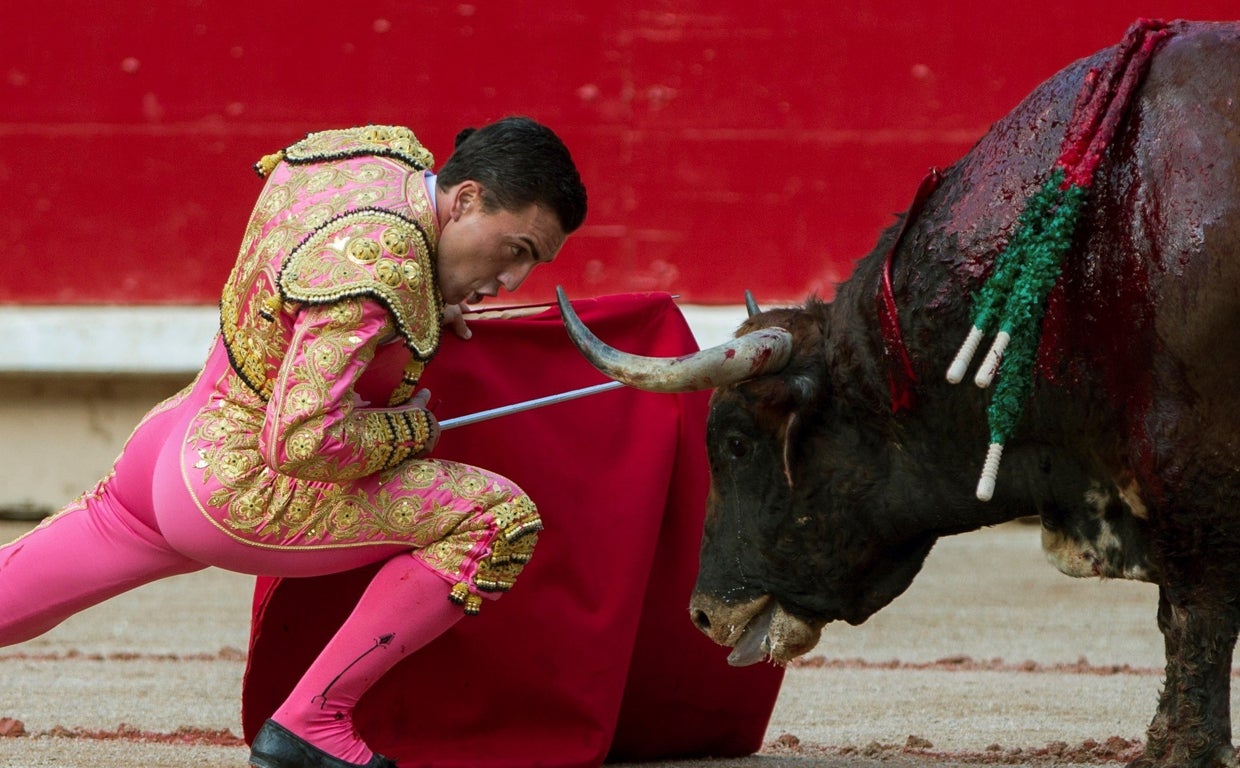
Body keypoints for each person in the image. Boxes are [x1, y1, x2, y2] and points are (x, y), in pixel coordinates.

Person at [0, 118, 587, 768]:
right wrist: (413, 427)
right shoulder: (384, 260)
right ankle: (315, 721)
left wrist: (420, 307)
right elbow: (303, 439)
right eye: (518, 249)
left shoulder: (373, 161)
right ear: (467, 199)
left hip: (176, 440)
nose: (514, 279)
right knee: (495, 519)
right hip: (240, 489)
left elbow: (302, 288)